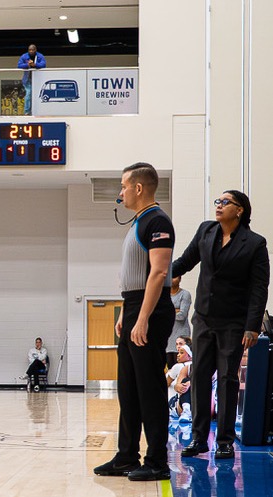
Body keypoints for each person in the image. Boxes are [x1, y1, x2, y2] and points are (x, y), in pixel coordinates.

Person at [173, 189, 270, 461]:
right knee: (200, 377)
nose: (219, 205)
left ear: (239, 210)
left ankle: (225, 441)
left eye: (225, 202)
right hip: (203, 318)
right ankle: (198, 438)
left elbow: (259, 288)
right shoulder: (206, 231)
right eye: (218, 201)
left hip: (233, 323)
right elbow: (186, 261)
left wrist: (252, 326)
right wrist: (161, 273)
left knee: (227, 379)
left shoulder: (254, 243)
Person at [93, 162, 175, 482]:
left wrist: (141, 319)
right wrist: (126, 317)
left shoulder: (157, 221)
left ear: (139, 188)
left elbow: (158, 272)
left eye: (124, 186)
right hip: (133, 307)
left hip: (149, 309)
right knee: (128, 388)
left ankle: (156, 460)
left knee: (150, 388)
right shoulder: (139, 221)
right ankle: (127, 455)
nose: (121, 192)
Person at [166, 276, 192, 368]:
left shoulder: (185, 294)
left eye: (175, 277)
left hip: (181, 335)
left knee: (181, 366)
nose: (173, 279)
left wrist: (167, 311)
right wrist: (175, 309)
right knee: (170, 366)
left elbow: (182, 315)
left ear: (180, 279)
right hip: (168, 337)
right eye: (171, 277)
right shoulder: (164, 295)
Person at [166, 341, 192, 420]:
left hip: (176, 403)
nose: (178, 355)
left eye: (181, 353)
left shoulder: (177, 366)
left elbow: (166, 383)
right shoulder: (184, 367)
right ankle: (186, 410)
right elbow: (178, 386)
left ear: (190, 355)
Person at [16, 44, 45, 114]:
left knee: (38, 96)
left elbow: (43, 64)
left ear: (35, 50)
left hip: (38, 79)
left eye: (33, 50)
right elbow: (19, 65)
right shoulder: (24, 56)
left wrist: (35, 65)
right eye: (30, 50)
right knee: (28, 94)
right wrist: (27, 65)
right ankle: (27, 112)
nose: (31, 51)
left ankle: (37, 111)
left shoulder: (40, 56)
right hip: (27, 79)